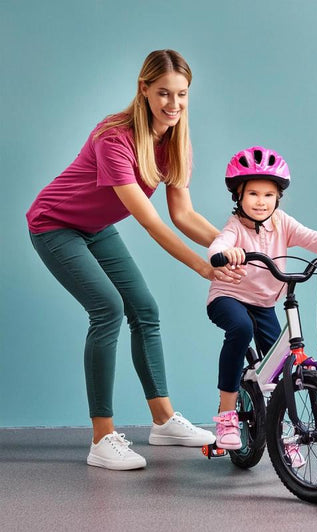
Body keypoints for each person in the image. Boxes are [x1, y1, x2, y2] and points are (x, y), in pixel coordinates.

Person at [26, 49, 242, 471]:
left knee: (145, 309)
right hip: (54, 224)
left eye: (182, 95)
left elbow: (183, 215)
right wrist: (203, 266)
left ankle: (162, 421)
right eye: (163, 93)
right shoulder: (114, 136)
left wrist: (231, 242)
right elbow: (152, 223)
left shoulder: (176, 139)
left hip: (96, 226)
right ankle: (102, 437)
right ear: (143, 89)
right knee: (107, 309)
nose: (173, 105)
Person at [206, 146, 317, 465]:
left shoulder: (283, 223)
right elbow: (218, 245)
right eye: (253, 194)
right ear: (238, 196)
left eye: (268, 194)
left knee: (279, 364)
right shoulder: (235, 226)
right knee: (241, 329)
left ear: (278, 198)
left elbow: (313, 239)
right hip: (228, 297)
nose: (261, 201)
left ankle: (283, 427)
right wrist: (226, 253)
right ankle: (227, 415)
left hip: (264, 302)